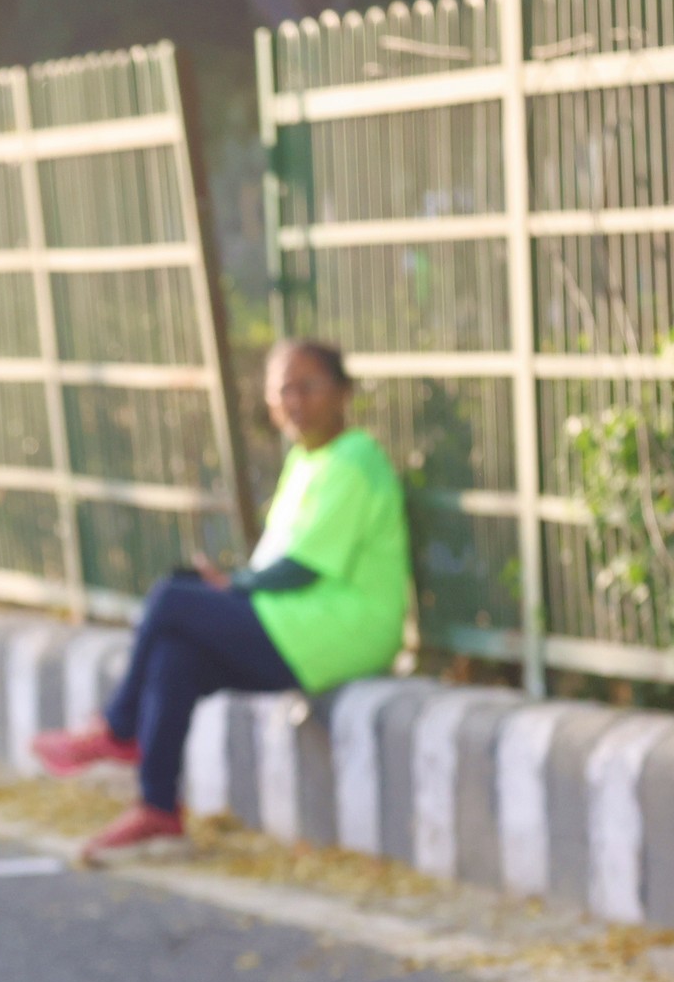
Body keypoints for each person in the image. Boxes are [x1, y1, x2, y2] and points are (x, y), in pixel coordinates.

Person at [33, 338, 409, 863]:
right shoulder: (306, 459)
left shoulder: (355, 458)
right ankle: (158, 808)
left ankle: (118, 728)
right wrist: (233, 585)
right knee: (176, 655)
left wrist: (232, 586)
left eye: (308, 387)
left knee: (173, 599)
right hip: (297, 627)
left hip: (340, 631)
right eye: (283, 390)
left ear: (344, 392)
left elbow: (302, 568)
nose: (295, 402)